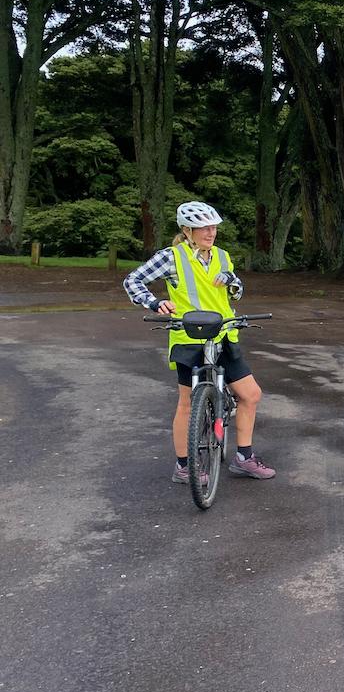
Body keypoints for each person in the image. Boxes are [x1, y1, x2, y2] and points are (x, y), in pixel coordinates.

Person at [124, 201, 273, 483]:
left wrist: (231, 280)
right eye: (204, 227)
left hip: (224, 334)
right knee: (187, 404)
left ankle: (244, 458)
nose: (211, 232)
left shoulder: (222, 256)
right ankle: (183, 467)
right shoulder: (171, 257)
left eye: (214, 227)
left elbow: (237, 293)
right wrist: (155, 303)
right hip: (188, 337)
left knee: (250, 395)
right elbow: (133, 281)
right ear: (187, 230)